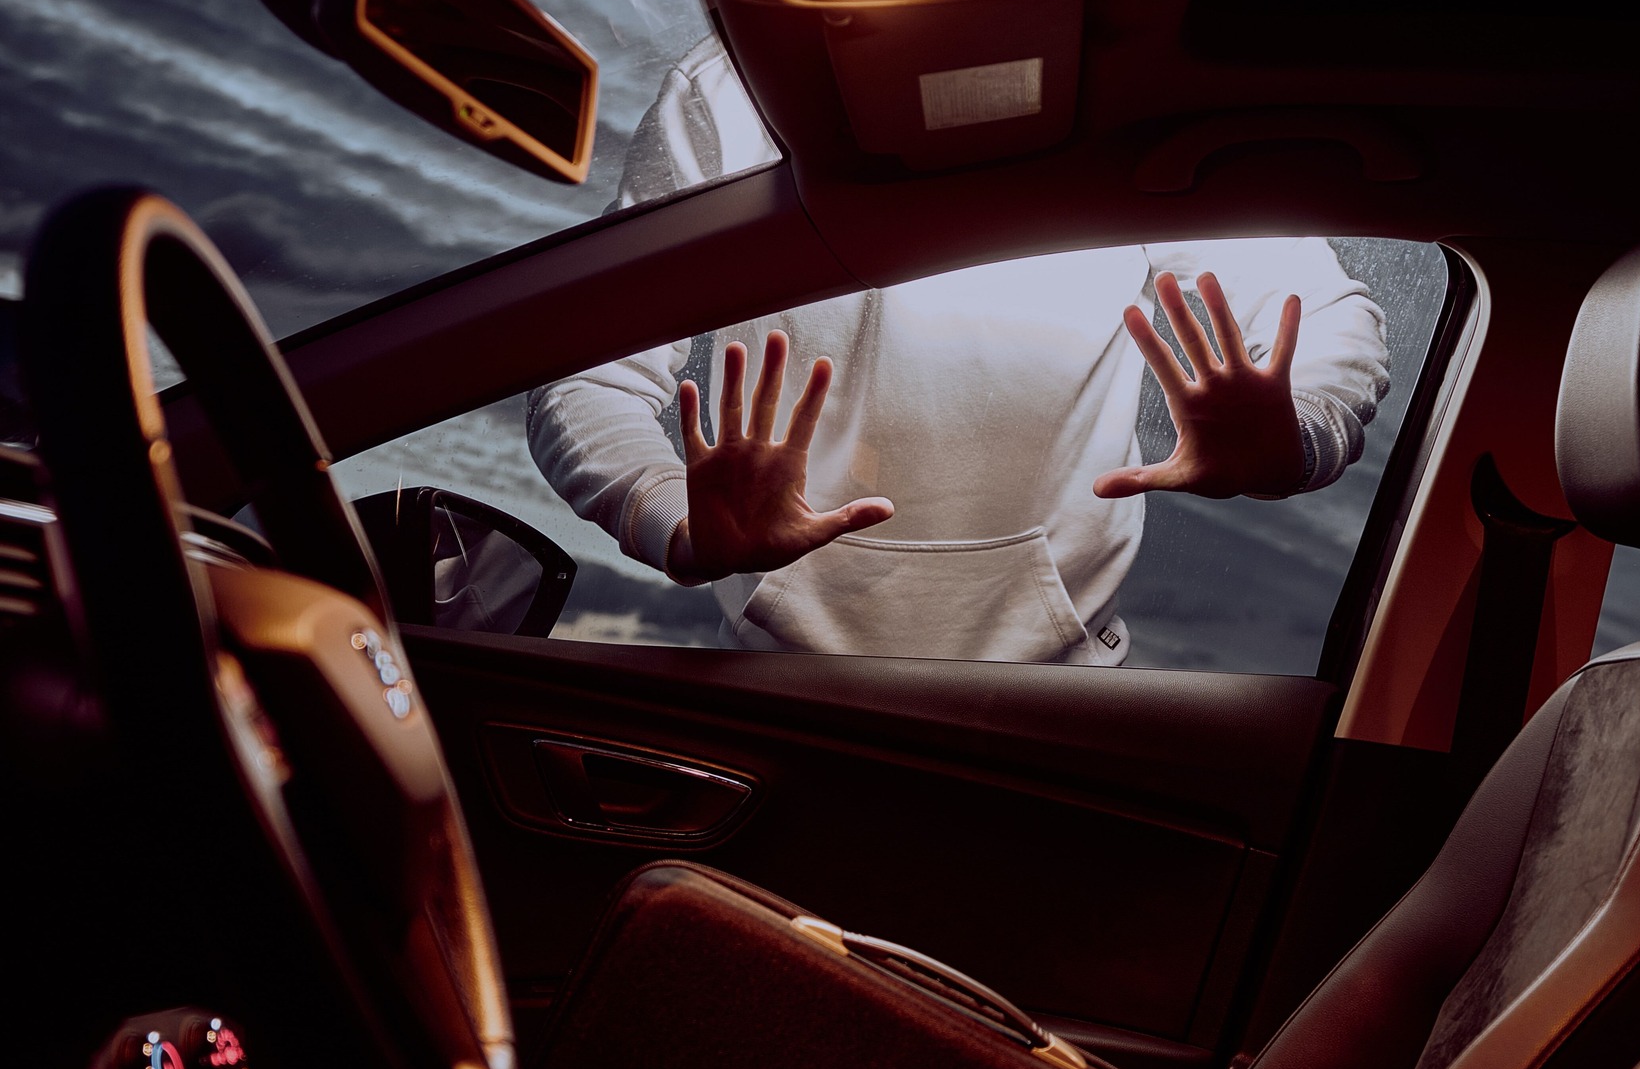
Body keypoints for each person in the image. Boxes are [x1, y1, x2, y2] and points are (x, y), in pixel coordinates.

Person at [527, 39, 1390, 664]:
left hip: (1062, 696)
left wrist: (1298, 433)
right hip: (777, 681)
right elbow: (583, 370)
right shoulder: (735, 92)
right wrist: (674, 522)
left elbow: (1327, 312)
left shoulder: (1132, 88)